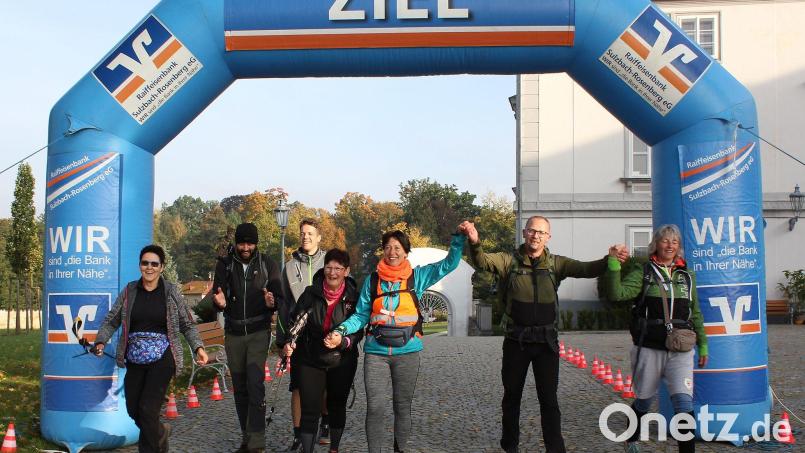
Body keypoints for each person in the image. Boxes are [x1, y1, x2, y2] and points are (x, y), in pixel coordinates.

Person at [462, 217, 626, 453]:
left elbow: (586, 269)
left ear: (548, 237)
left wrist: (609, 258)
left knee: (549, 400)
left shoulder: (556, 264)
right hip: (516, 342)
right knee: (511, 398)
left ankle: (555, 448)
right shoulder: (509, 261)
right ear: (524, 233)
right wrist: (475, 242)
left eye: (541, 232)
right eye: (532, 231)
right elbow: (483, 261)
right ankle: (510, 446)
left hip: (546, 343)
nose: (536, 236)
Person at [328, 226, 467, 453]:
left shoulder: (418, 277)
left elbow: (449, 264)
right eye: (387, 247)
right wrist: (341, 330)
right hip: (376, 354)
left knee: (402, 407)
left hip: (408, 353)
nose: (392, 252)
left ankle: (399, 449)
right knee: (375, 408)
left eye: (397, 247)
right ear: (382, 251)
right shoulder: (373, 281)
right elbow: (362, 314)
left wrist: (458, 239)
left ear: (405, 251)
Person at [94, 244, 209, 453]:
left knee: (148, 410)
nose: (149, 268)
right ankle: (161, 432)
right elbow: (111, 320)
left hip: (163, 357)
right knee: (134, 409)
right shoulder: (129, 291)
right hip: (135, 356)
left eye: (154, 264)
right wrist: (101, 341)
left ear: (161, 267)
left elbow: (187, 324)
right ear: (139, 265)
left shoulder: (171, 292)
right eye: (145, 263)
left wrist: (198, 347)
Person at [605, 224, 708, 453]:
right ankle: (631, 438)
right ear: (656, 244)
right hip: (650, 347)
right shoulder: (644, 272)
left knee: (684, 404)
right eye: (665, 240)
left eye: (674, 242)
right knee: (644, 401)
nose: (669, 245)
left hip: (681, 349)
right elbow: (617, 293)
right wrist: (613, 265)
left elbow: (696, 312)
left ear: (679, 246)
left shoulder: (687, 276)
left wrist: (703, 346)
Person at [282, 249, 364, 453]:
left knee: (336, 405)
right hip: (310, 357)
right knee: (310, 409)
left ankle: (333, 449)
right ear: (323, 268)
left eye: (338, 268)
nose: (332, 272)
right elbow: (297, 320)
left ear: (346, 271)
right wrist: (290, 341)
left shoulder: (354, 297)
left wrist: (343, 341)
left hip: (342, 359)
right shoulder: (311, 292)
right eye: (329, 267)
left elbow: (360, 328)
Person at [212, 222, 283, 453]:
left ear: (256, 243)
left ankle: (257, 444)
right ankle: (247, 437)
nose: (245, 247)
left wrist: (272, 302)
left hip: (258, 332)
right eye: (242, 242)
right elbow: (218, 292)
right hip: (233, 333)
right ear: (236, 243)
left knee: (255, 384)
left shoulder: (267, 264)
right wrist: (218, 301)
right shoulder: (225, 264)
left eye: (250, 243)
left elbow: (278, 295)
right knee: (240, 388)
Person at [277, 218, 328, 450]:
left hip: (323, 332)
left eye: (310, 233)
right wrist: (283, 339)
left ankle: (325, 421)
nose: (305, 237)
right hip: (298, 336)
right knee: (296, 386)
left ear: (318, 237)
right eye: (302, 233)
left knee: (325, 384)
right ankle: (298, 433)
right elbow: (284, 305)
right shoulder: (288, 267)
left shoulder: (329, 262)